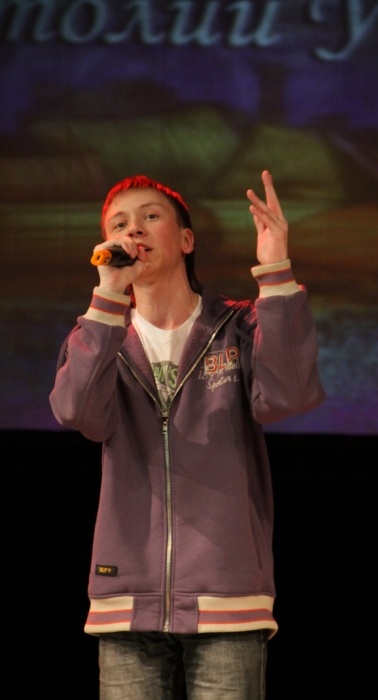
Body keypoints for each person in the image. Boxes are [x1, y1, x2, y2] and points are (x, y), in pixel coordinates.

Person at [49, 169, 325, 699]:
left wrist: (275, 269)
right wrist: (108, 296)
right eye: (119, 225)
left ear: (186, 239)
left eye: (151, 217)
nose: (133, 231)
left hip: (227, 596)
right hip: (126, 600)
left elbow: (290, 395)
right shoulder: (100, 336)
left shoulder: (238, 327)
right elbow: (79, 414)